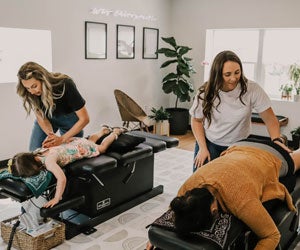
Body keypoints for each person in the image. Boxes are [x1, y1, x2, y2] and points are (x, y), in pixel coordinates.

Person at [146, 139, 300, 250]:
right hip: (240, 144)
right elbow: (176, 208)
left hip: (270, 154)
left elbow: (272, 235)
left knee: (294, 164)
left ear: (214, 211)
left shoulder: (241, 200)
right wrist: (158, 235)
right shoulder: (188, 187)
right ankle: (280, 140)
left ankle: (283, 145)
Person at [190, 50, 288, 171]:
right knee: (198, 185)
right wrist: (202, 148)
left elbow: (270, 119)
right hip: (210, 143)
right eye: (227, 74)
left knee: (232, 183)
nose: (234, 78)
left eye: (237, 72)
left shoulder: (252, 89)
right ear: (217, 74)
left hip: (240, 144)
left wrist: (276, 140)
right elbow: (196, 121)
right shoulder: (205, 92)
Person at [7, 126, 125, 208]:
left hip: (81, 149)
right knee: (89, 140)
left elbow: (62, 179)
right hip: (74, 142)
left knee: (101, 148)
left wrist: (57, 198)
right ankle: (102, 131)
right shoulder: (38, 151)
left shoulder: (49, 162)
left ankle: (116, 132)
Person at [17, 62, 90, 151]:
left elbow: (85, 119)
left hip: (69, 120)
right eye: (27, 88)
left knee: (70, 153)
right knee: (34, 152)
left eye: (34, 86)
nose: (32, 91)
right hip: (47, 118)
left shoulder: (65, 84)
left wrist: (61, 139)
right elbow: (40, 117)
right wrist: (51, 136)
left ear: (43, 79)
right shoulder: (31, 94)